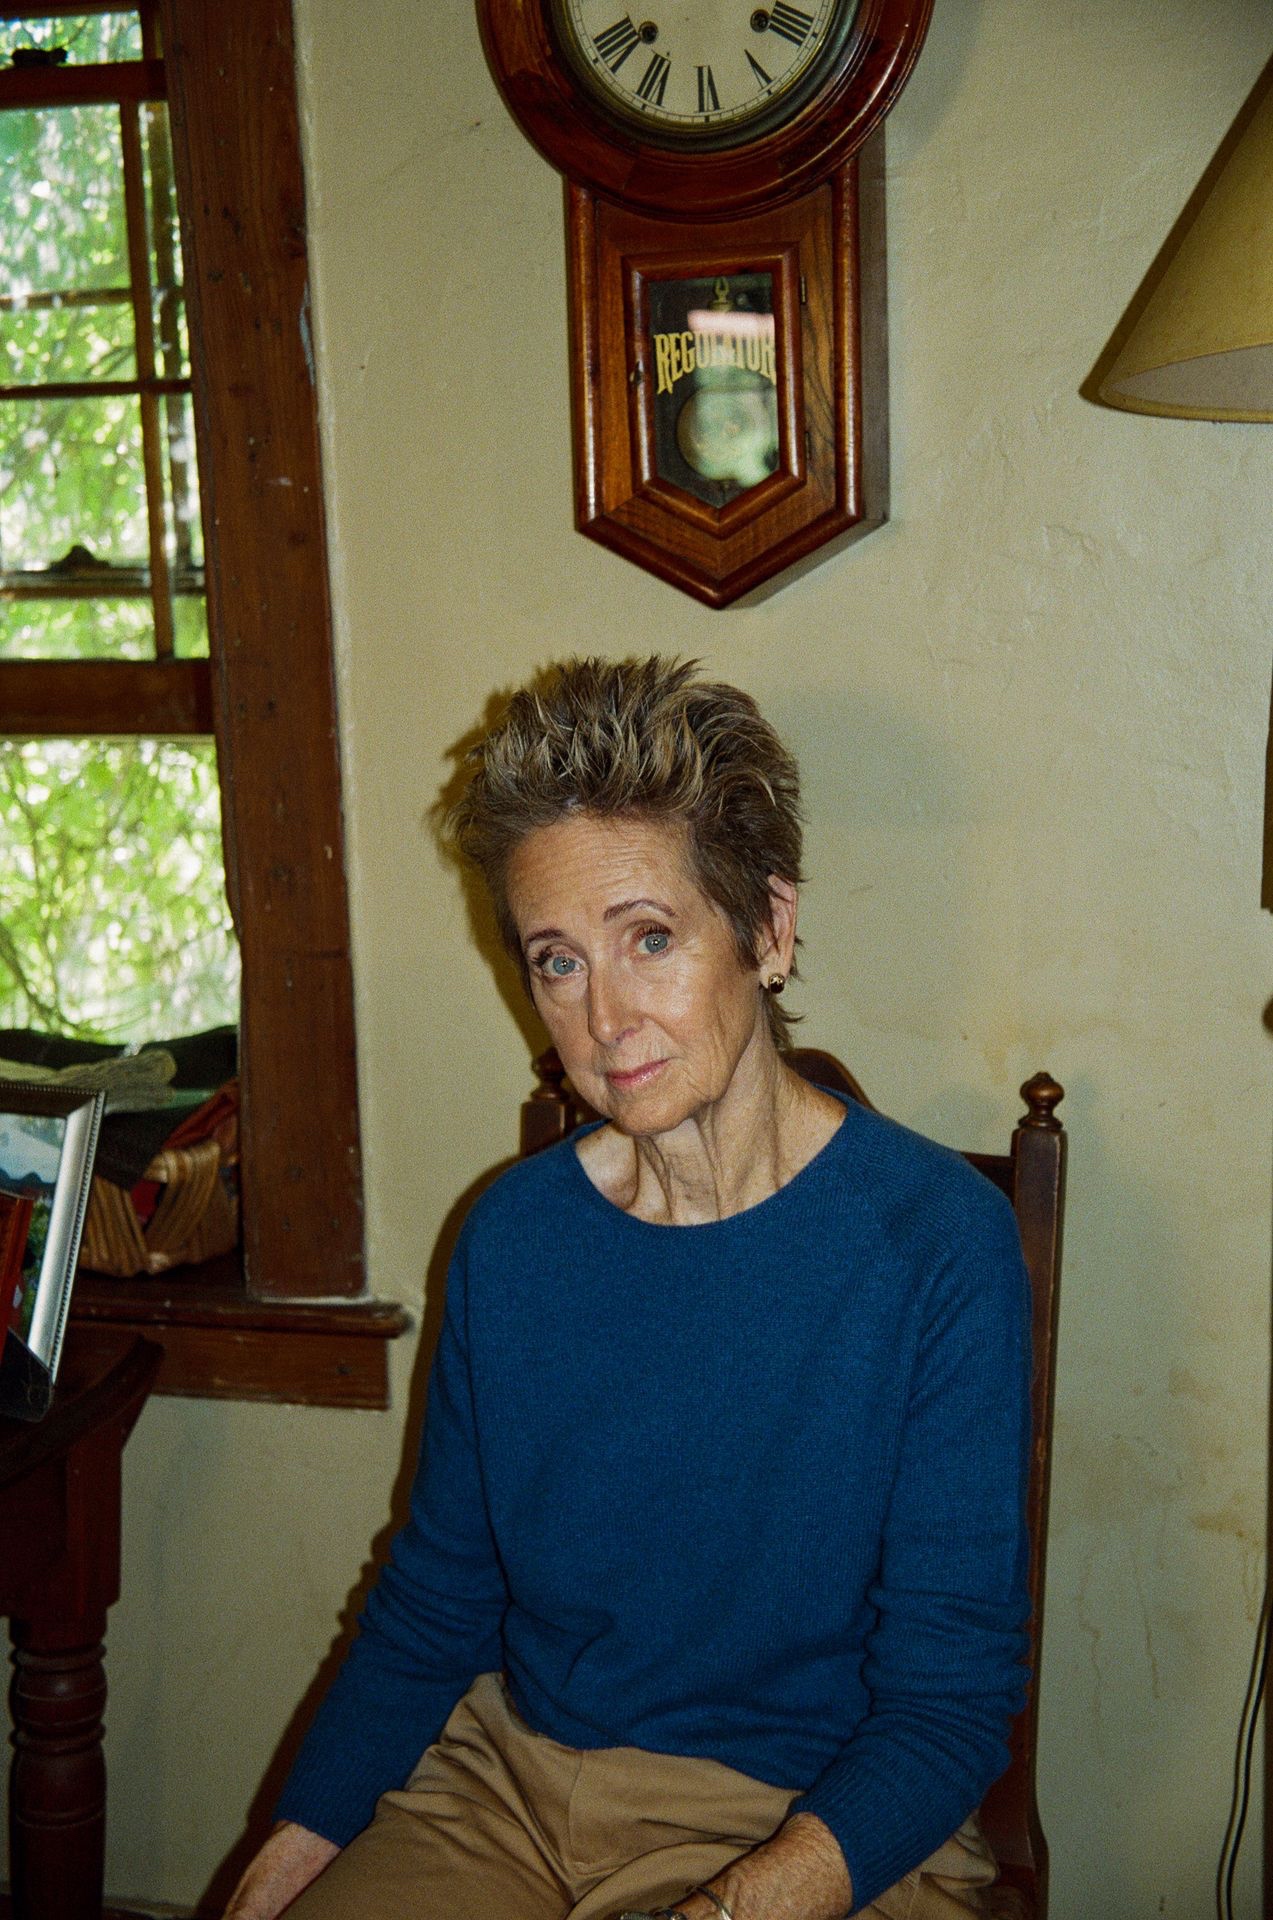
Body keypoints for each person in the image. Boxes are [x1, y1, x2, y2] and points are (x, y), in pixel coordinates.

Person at [224, 656, 1032, 1920]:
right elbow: (437, 1598)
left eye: (648, 939)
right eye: (556, 961)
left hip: (804, 1815)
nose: (604, 1018)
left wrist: (724, 1908)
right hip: (503, 1784)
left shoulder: (937, 1246)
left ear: (767, 929)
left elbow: (946, 1706)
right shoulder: (511, 1239)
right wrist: (289, 1853)